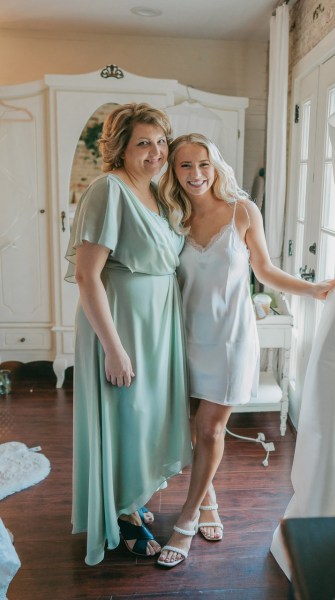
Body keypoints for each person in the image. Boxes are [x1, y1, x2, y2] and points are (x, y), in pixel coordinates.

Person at [156, 133, 335, 567]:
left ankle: (184, 522)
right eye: (185, 166)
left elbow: (266, 270)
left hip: (229, 339)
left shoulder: (243, 210)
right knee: (191, 428)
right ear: (173, 171)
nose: (196, 174)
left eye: (203, 164)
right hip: (182, 338)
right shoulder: (171, 215)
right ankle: (207, 503)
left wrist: (313, 290)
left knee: (210, 430)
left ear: (215, 164)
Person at [65, 103, 192, 566]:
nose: (156, 152)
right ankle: (121, 514)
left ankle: (133, 499)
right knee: (126, 413)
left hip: (159, 321)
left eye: (161, 142)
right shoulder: (108, 190)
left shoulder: (160, 193)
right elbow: (86, 276)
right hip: (121, 323)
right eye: (144, 143)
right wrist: (113, 348)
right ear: (121, 147)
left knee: (147, 416)